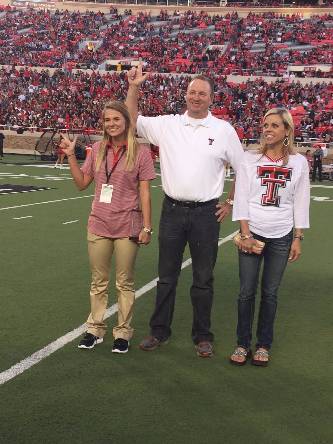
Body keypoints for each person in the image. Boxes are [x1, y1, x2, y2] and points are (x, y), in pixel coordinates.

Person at [126, 66, 244, 358]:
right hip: (173, 211)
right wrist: (134, 87)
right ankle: (159, 331)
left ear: (211, 98)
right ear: (186, 94)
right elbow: (131, 120)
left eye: (202, 93)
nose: (196, 97)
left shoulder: (223, 130)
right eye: (192, 91)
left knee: (203, 278)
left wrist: (230, 202)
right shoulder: (169, 124)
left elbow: (245, 171)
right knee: (166, 276)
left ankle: (202, 335)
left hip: (206, 214)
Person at [61, 101, 156, 354]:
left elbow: (145, 192)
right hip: (99, 222)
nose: (111, 124)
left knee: (124, 282)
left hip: (128, 224)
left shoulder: (141, 152)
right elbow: (81, 183)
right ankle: (95, 328)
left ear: (126, 121)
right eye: (107, 120)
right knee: (98, 281)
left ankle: (123, 332)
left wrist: (147, 227)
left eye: (116, 119)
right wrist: (71, 155)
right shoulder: (96, 149)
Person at [230, 108, 310, 367]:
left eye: (275, 125)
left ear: (287, 130)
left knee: (270, 293)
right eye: (265, 124)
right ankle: (242, 343)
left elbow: (301, 201)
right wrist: (245, 234)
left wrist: (298, 237)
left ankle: (263, 344)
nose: (268, 129)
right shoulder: (249, 159)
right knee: (245, 292)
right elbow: (241, 197)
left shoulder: (299, 162)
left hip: (282, 235)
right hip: (251, 233)